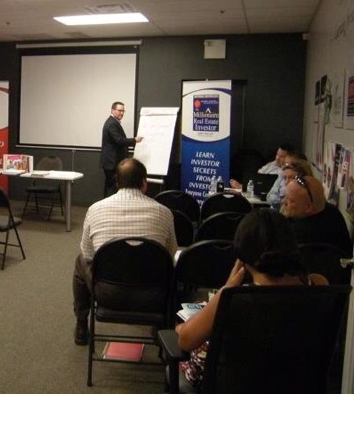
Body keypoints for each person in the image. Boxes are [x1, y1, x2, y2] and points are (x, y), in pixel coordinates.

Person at [176, 209, 328, 389]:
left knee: (180, 331)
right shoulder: (319, 285)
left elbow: (185, 341)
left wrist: (227, 287)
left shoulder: (233, 298)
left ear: (243, 251)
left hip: (235, 389)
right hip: (298, 387)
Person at [72, 157, 177, 345]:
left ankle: (81, 325)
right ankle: (161, 328)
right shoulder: (164, 212)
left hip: (106, 294)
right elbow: (170, 255)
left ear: (117, 182)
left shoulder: (95, 209)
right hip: (153, 296)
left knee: (80, 261)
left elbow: (89, 255)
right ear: (144, 183)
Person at [280, 173, 352, 258]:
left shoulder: (301, 235)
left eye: (291, 200)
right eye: (285, 196)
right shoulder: (331, 211)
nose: (283, 201)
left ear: (308, 207)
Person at [100, 101, 143, 198]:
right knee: (112, 187)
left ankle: (109, 206)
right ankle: (110, 208)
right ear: (113, 110)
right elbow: (119, 140)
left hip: (112, 162)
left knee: (111, 186)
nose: (122, 113)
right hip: (111, 163)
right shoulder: (111, 124)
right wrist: (134, 140)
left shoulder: (114, 122)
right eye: (119, 110)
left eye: (123, 111)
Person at [229, 142, 293, 191]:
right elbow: (258, 177)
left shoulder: (288, 172)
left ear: (289, 158)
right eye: (277, 154)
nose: (277, 158)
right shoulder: (271, 164)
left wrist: (242, 187)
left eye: (281, 156)